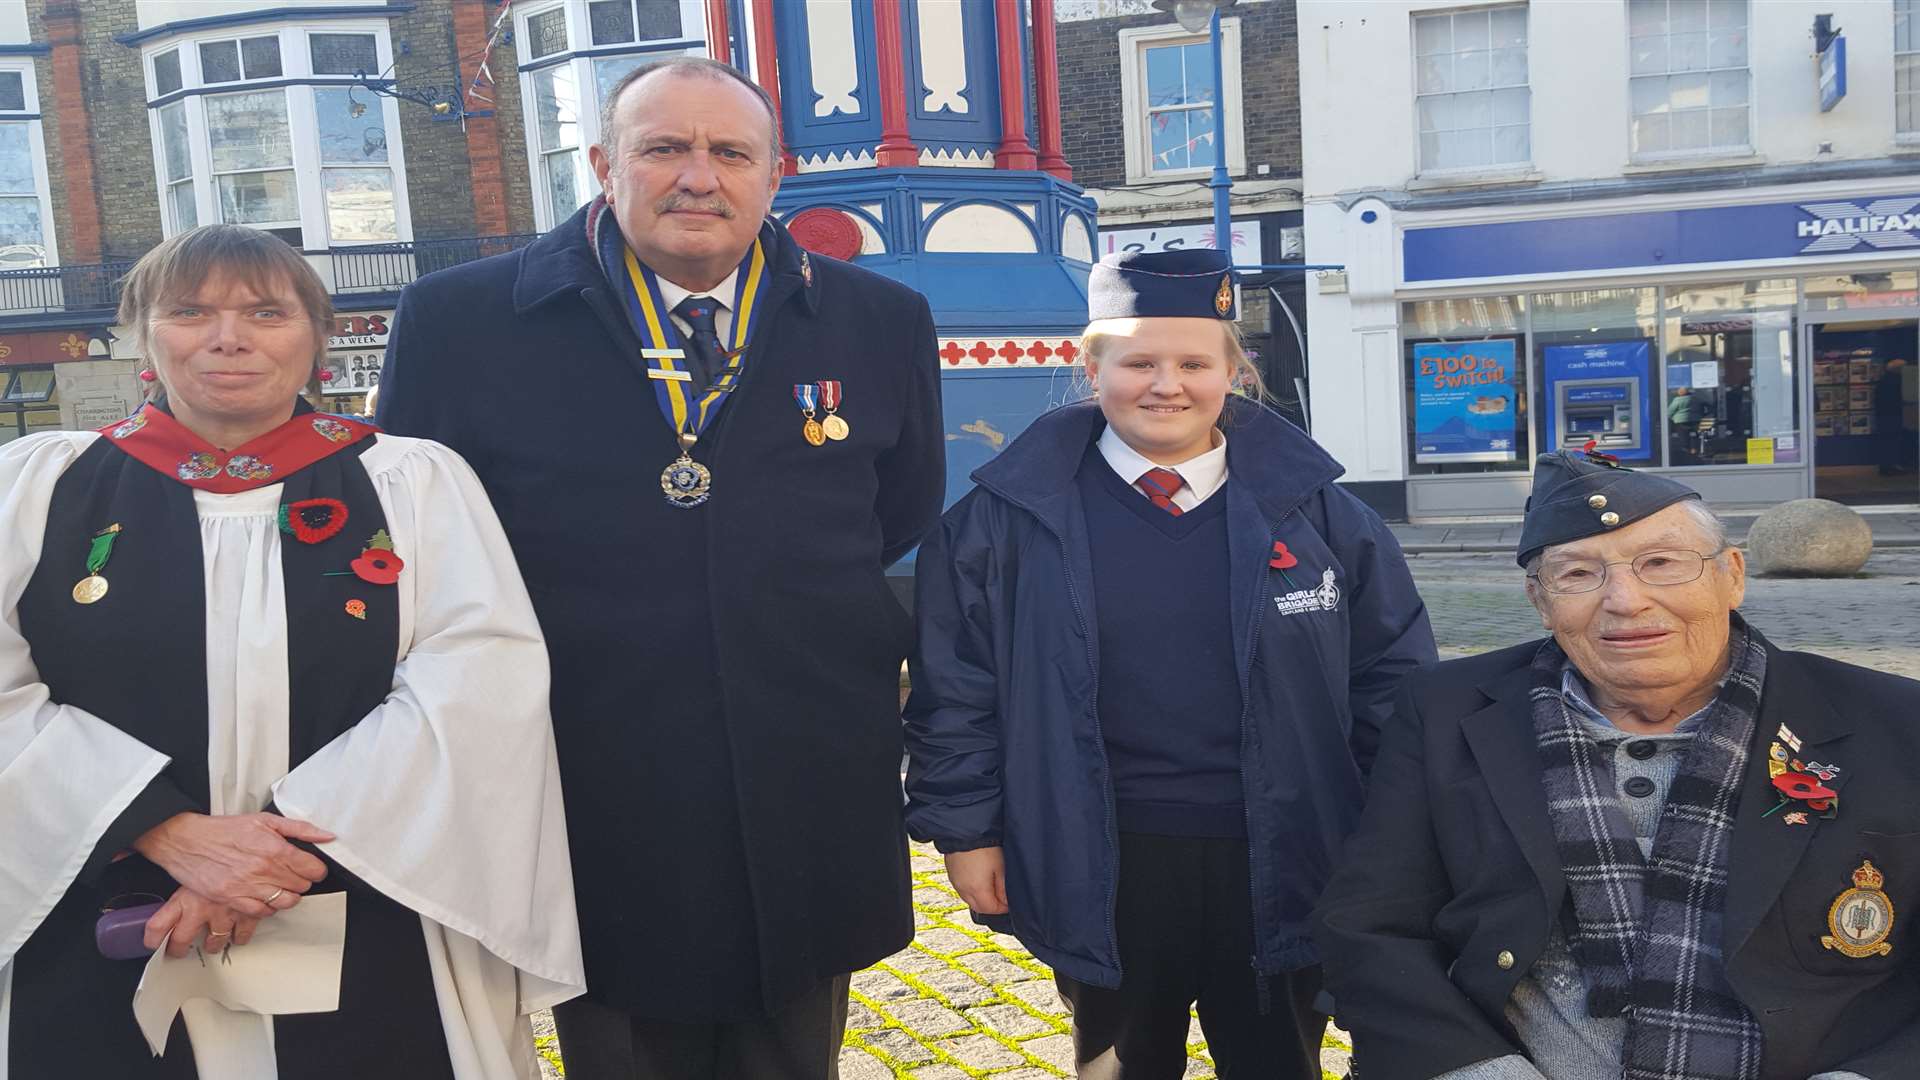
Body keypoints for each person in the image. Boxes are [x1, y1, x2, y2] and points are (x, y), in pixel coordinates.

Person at [376, 56, 944, 1079]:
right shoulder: (458, 323)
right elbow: (414, 547)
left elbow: (894, 511)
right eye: (663, 148)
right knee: (622, 1045)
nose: (699, 176)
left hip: (803, 766)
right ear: (602, 163)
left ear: (777, 176)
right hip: (590, 773)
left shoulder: (880, 321)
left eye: (730, 152)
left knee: (792, 1043)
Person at [0, 224, 583, 1079]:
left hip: (367, 889)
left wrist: (265, 859)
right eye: (190, 310)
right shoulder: (37, 485)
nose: (228, 335)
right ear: (143, 338)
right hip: (101, 891)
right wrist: (163, 830)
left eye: (266, 312)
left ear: (317, 338)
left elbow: (479, 680)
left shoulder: (412, 483)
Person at [904, 248, 1436, 1080]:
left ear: (1234, 371)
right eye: (1139, 361)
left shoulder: (1326, 517)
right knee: (1121, 1067)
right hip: (1101, 855)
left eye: (1195, 362)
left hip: (1285, 848)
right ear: (1092, 368)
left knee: (1278, 1065)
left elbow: (1393, 682)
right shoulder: (999, 522)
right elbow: (957, 689)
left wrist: (1394, 836)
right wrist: (966, 830)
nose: (1167, 384)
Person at [1314, 448, 1920, 1080]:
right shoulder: (1444, 712)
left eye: (1661, 563)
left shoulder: (1896, 724)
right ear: (1540, 600)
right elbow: (1368, 927)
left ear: (1733, 574)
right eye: (1578, 574)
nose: (1626, 601)